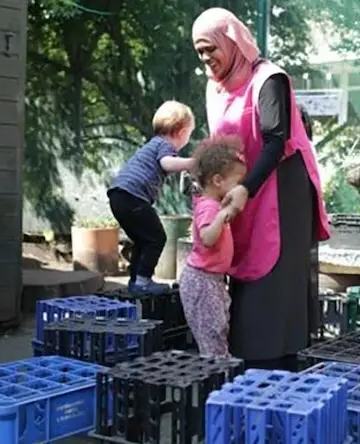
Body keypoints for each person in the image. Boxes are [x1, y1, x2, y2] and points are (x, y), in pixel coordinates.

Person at [191, 8, 331, 370]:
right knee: (241, 259)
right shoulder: (216, 87)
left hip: (280, 184)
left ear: (232, 41)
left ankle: (275, 359)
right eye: (200, 52)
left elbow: (275, 140)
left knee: (273, 267)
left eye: (211, 48)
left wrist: (245, 189)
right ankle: (246, 355)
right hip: (243, 184)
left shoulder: (268, 80)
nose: (207, 58)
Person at [108, 100, 196, 294]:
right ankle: (142, 281)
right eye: (189, 134)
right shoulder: (165, 145)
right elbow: (167, 164)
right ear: (181, 132)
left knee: (144, 239)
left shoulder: (154, 143)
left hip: (119, 197)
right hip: (132, 196)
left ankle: (136, 281)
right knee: (157, 237)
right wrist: (194, 163)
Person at [178, 136, 246, 356]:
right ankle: (216, 376)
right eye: (237, 182)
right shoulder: (209, 207)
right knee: (212, 333)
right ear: (218, 180)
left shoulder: (212, 204)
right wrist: (222, 216)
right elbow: (207, 237)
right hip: (202, 281)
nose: (240, 188)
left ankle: (218, 371)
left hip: (211, 280)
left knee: (217, 328)